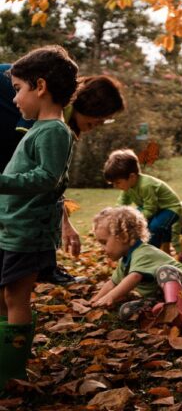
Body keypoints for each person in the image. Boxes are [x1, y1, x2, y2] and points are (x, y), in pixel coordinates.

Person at [1, 68, 126, 285]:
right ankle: (31, 268)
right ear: (93, 104)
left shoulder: (57, 119)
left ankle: (40, 268)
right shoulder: (47, 114)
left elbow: (49, 179)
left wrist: (64, 222)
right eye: (103, 116)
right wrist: (65, 224)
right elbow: (44, 179)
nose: (101, 123)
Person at [0, 46, 78, 388]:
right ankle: (3, 360)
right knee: (3, 296)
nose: (15, 98)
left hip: (28, 234)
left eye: (19, 89)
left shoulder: (54, 132)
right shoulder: (38, 129)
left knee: (17, 298)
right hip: (11, 229)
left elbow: (48, 178)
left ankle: (12, 371)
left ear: (40, 87)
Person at [90, 206, 182, 329]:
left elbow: (135, 277)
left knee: (164, 271)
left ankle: (177, 313)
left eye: (104, 242)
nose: (102, 248)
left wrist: (110, 297)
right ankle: (163, 311)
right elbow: (112, 283)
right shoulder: (125, 261)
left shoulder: (143, 252)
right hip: (160, 296)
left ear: (123, 236)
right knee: (125, 310)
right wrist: (94, 302)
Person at [103, 149, 182, 251]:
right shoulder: (128, 187)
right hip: (153, 208)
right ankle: (157, 251)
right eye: (113, 183)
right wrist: (115, 216)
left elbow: (150, 209)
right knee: (134, 224)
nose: (115, 186)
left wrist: (137, 220)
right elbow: (121, 203)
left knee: (154, 227)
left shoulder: (145, 185)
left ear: (132, 176)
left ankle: (150, 253)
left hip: (170, 208)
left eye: (117, 182)